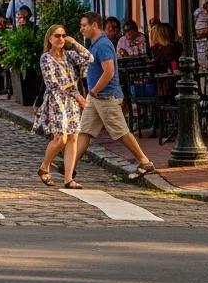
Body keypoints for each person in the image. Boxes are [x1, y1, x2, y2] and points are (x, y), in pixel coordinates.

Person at [76, 12, 156, 182]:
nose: (81, 29)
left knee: (120, 132)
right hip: (96, 97)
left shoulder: (103, 45)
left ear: (95, 26)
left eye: (84, 25)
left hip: (106, 96)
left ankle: (144, 161)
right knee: (85, 131)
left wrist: (95, 90)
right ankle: (69, 166)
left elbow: (109, 71)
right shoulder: (95, 44)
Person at [33, 25, 92, 189]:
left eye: (63, 36)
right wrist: (71, 85)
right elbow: (53, 84)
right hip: (57, 101)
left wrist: (74, 43)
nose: (60, 39)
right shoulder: (46, 58)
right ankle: (45, 166)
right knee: (60, 139)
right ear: (50, 38)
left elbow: (89, 58)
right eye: (57, 36)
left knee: (73, 138)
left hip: (72, 101)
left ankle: (68, 178)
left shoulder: (70, 55)